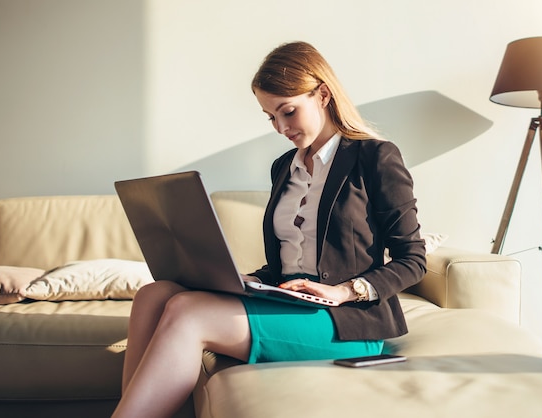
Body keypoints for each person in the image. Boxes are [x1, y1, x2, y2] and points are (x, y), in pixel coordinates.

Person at [112, 41, 426, 418]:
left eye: (288, 111)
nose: (280, 127)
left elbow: (414, 259)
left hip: (347, 322)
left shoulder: (375, 156)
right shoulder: (284, 167)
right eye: (270, 117)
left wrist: (342, 291)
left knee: (187, 312)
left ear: (323, 94)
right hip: (289, 302)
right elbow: (289, 264)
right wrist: (244, 279)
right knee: (154, 293)